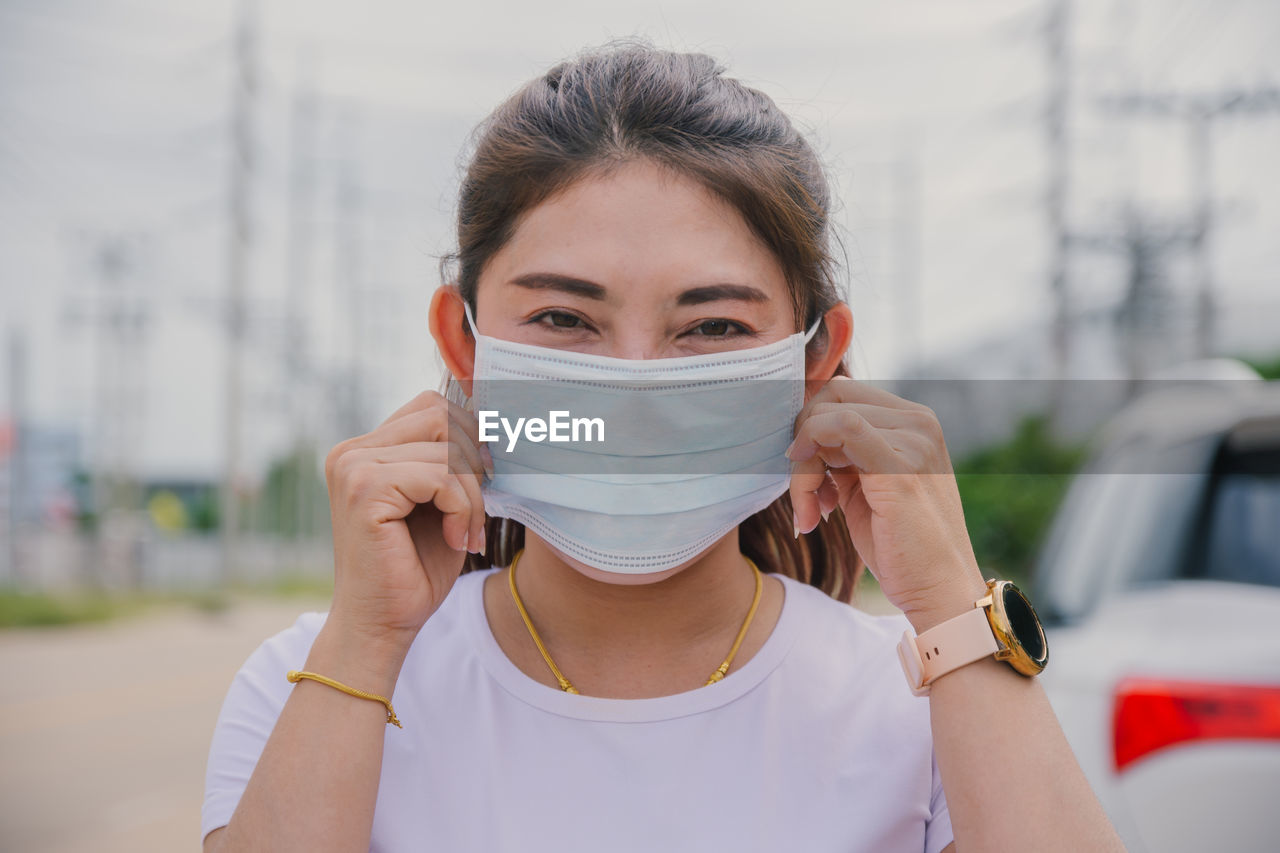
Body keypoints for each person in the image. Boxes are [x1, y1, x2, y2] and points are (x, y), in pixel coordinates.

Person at [201, 38, 1125, 853]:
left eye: (712, 327)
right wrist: (365, 643)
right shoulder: (313, 685)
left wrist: (956, 608)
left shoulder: (926, 704)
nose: (637, 385)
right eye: (565, 317)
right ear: (465, 344)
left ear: (814, 362)